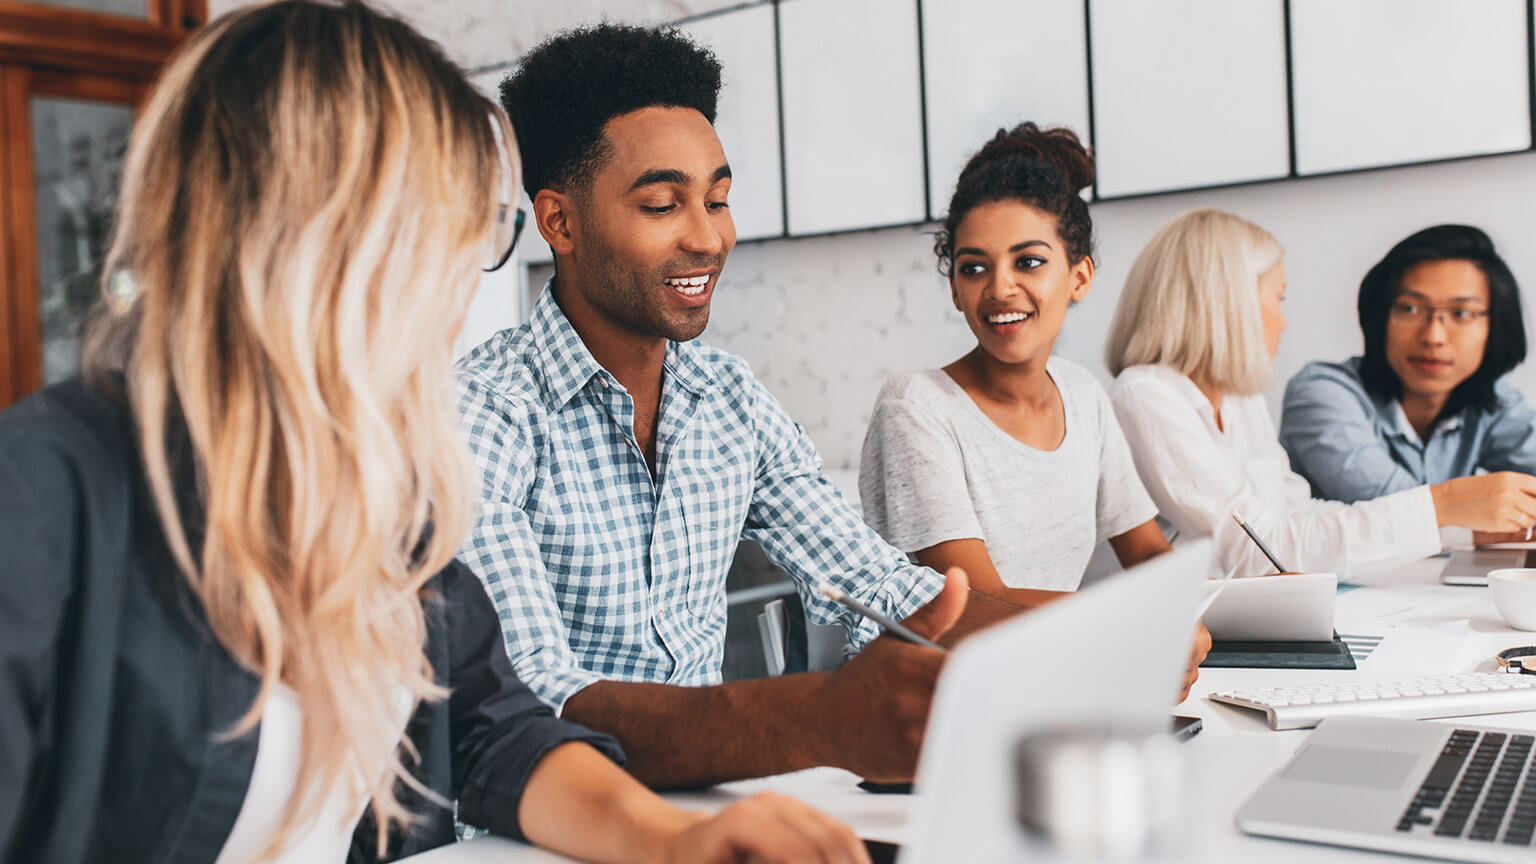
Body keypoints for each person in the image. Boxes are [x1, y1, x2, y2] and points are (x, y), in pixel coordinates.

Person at [0, 4, 870, 862]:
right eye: (449, 237)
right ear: (318, 241)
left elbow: (496, 732)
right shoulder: (44, 492)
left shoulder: (375, 495)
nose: (461, 290)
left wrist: (680, 841)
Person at [455, 22, 1083, 791]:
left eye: (717, 199)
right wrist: (817, 720)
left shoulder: (730, 402)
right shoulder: (482, 416)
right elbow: (534, 703)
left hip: (700, 812)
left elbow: (881, 587)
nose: (710, 237)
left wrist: (1095, 644)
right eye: (662, 205)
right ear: (559, 222)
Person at [1105, 210, 1534, 580]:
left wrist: (1462, 524)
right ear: (1227, 306)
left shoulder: (1239, 398)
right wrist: (1445, 505)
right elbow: (1257, 550)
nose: (1284, 322)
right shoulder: (1146, 395)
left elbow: (1294, 516)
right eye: (1279, 298)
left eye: (1460, 313)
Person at [858, 124, 1179, 608]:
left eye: (1027, 262)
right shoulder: (916, 408)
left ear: (1079, 276)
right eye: (973, 267)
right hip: (950, 678)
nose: (999, 288)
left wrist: (1225, 604)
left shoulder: (1083, 395)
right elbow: (978, 603)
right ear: (954, 290)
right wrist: (1131, 622)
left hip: (1061, 663)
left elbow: (1149, 551)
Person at [1280, 225, 1536, 540]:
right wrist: (1488, 525)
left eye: (1461, 313)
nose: (1433, 336)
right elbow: (1393, 511)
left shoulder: (1495, 403)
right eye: (1410, 309)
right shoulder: (1320, 394)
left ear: (1495, 327)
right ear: (1379, 316)